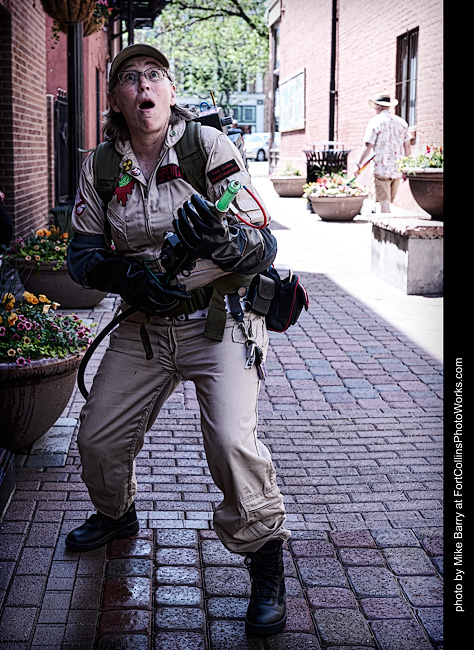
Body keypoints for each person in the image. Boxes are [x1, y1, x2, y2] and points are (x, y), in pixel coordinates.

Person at [66, 43, 290, 636]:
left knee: (232, 444)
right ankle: (116, 514)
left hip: (218, 322)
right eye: (130, 77)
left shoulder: (207, 148)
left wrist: (222, 240)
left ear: (170, 91)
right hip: (143, 324)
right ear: (116, 98)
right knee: (97, 439)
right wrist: (128, 277)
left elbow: (262, 243)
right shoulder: (100, 166)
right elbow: (81, 256)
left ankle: (265, 558)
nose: (145, 86)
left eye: (155, 76)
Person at [356, 93, 411, 213]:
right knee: (389, 201)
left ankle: (385, 222)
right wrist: (407, 167)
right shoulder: (402, 122)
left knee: (384, 204)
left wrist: (359, 163)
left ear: (378, 107)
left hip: (381, 167)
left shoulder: (375, 121)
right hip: (397, 167)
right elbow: (407, 146)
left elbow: (368, 145)